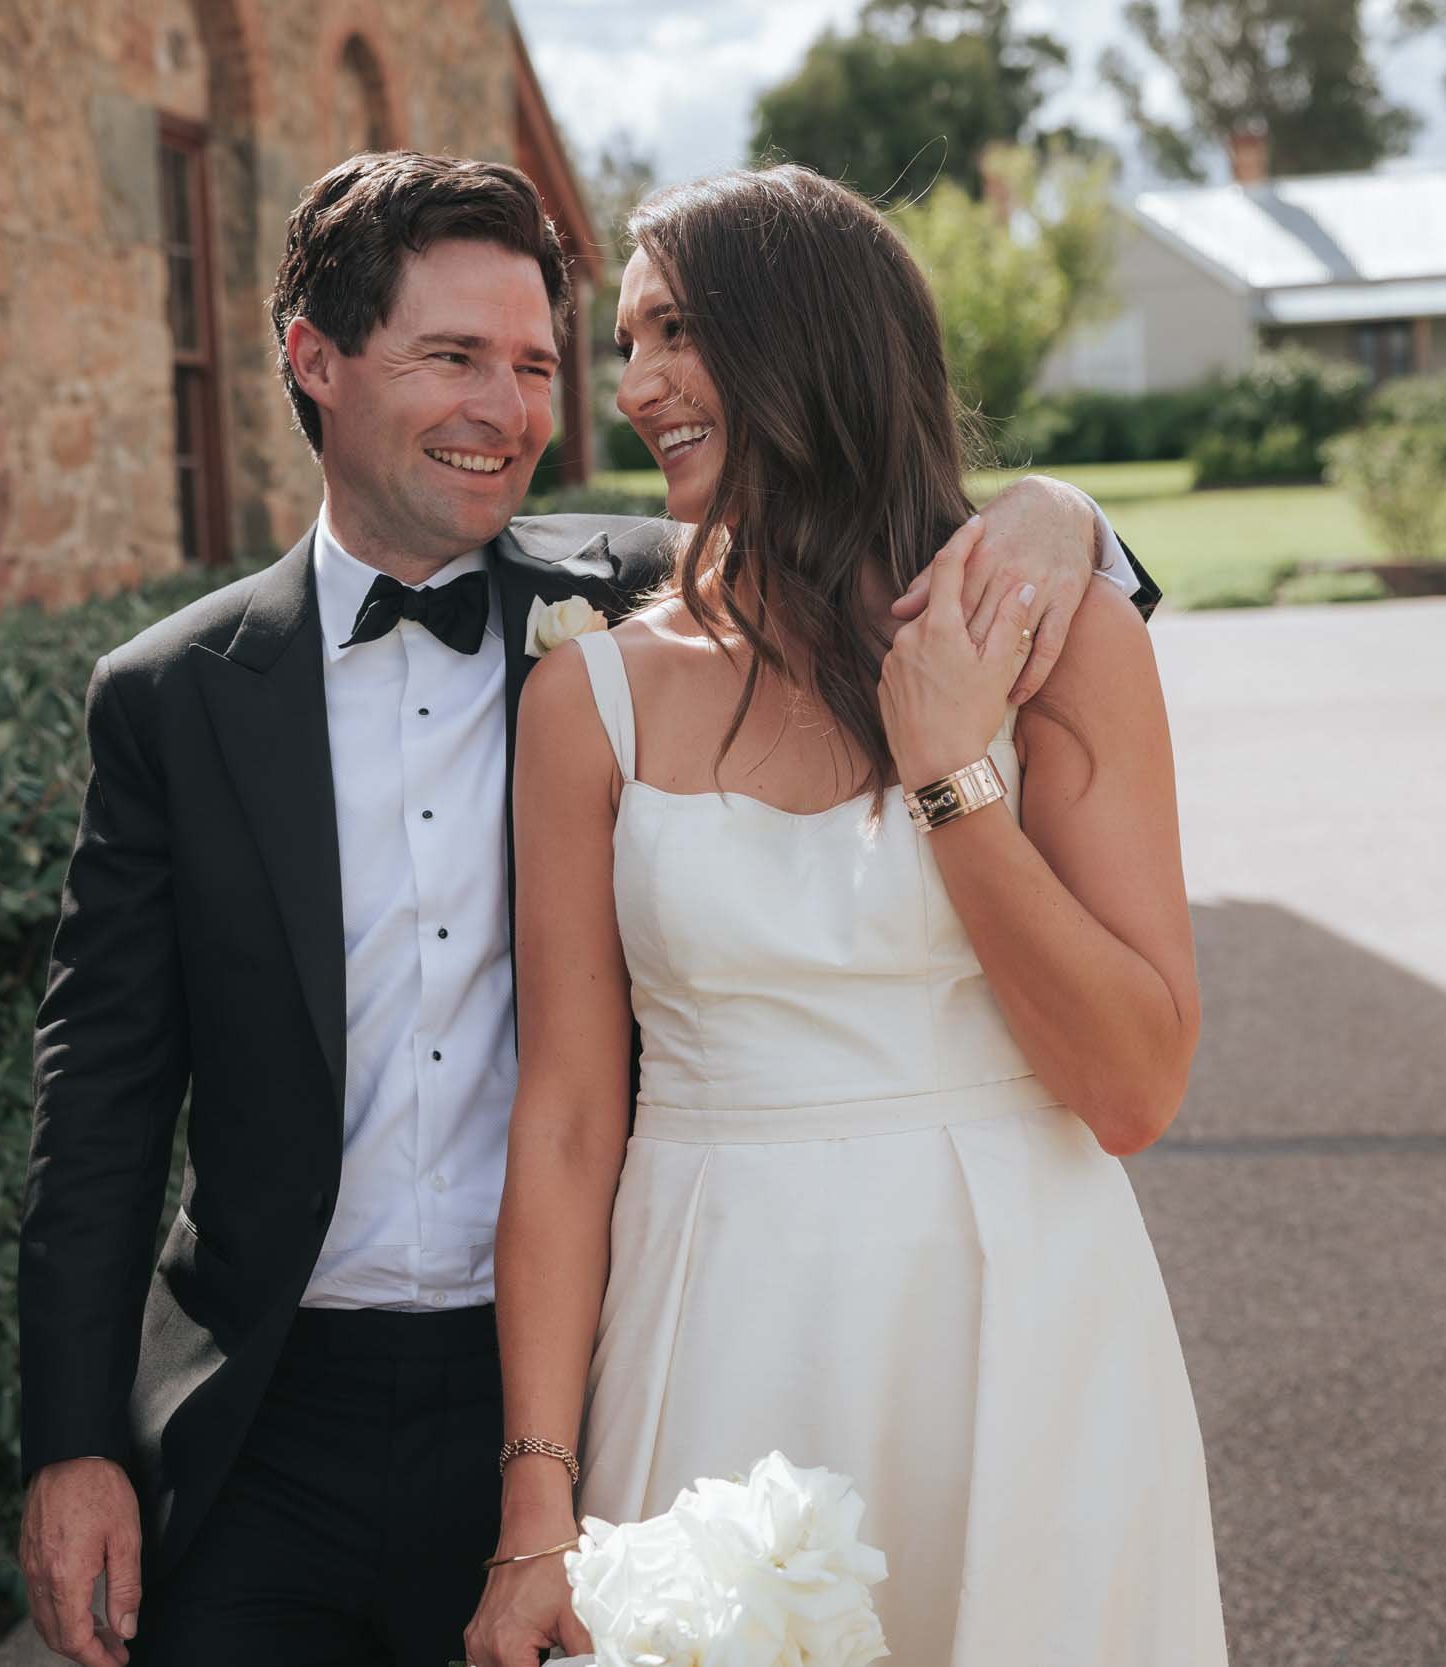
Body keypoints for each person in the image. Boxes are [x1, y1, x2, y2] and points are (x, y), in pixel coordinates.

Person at [14, 150, 1159, 1667]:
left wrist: (1068, 516)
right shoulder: (177, 699)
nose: (529, 403)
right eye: (455, 358)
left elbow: (886, 531)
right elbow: (97, 1089)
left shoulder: (622, 595)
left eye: (544, 363)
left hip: (593, 1359)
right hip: (278, 1403)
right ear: (315, 360)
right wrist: (72, 1437)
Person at [467, 164, 1225, 1667]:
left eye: (675, 331)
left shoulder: (1053, 648)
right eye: (623, 345)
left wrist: (951, 774)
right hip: (713, 1315)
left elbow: (1136, 1085)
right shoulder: (592, 698)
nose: (635, 387)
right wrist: (535, 1511)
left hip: (1018, 1319)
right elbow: (561, 1121)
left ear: (806, 337)